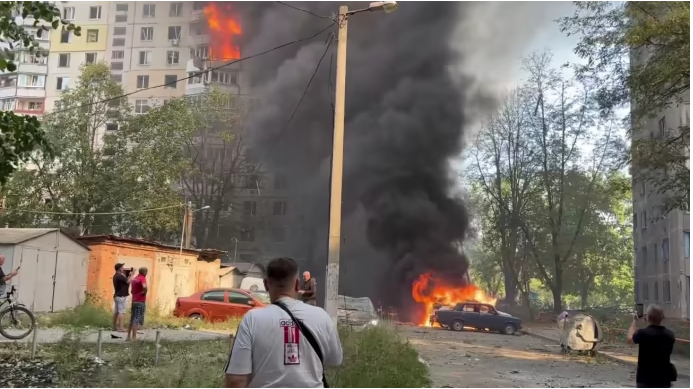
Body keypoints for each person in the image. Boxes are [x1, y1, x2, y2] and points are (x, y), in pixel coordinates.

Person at [225, 257, 342, 388]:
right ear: (297, 284)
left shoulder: (252, 319)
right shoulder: (322, 316)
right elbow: (335, 360)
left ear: (266, 285)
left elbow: (236, 381)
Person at [627, 304, 676, 388]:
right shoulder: (670, 335)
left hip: (645, 379)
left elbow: (630, 339)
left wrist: (634, 321)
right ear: (662, 318)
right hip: (664, 378)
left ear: (647, 318)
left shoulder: (643, 333)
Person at [127, 267, 148, 341]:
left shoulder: (135, 278)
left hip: (134, 301)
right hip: (140, 301)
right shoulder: (142, 278)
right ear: (145, 272)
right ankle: (134, 337)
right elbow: (144, 287)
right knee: (136, 319)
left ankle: (128, 336)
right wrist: (144, 292)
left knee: (132, 319)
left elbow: (132, 291)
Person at [112, 263, 134, 332]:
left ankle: (114, 327)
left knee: (116, 312)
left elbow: (126, 282)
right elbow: (128, 281)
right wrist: (133, 274)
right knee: (121, 312)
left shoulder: (116, 276)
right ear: (119, 268)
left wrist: (129, 276)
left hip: (117, 295)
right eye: (122, 267)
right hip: (121, 296)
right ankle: (121, 328)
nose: (123, 268)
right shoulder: (120, 276)